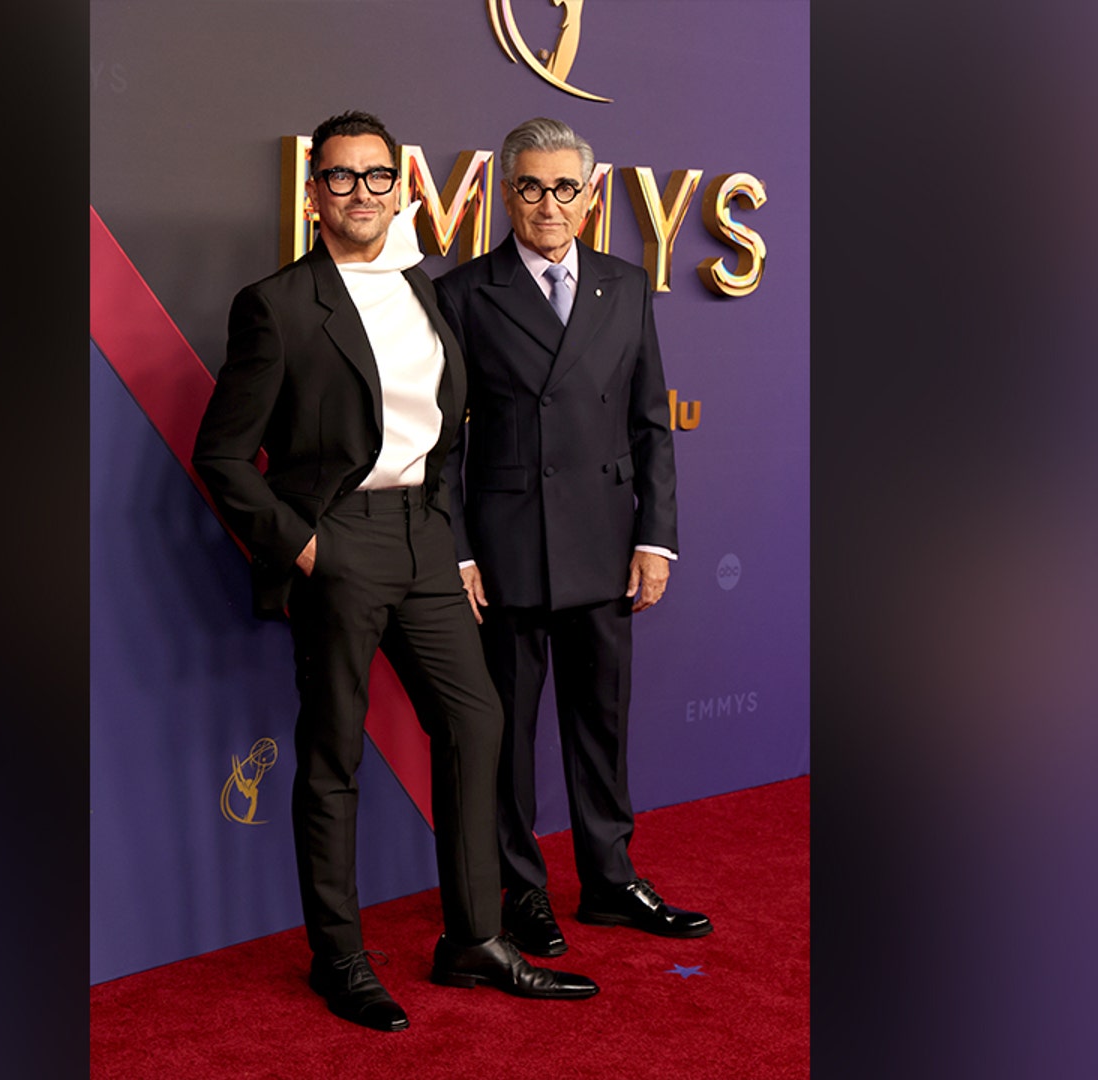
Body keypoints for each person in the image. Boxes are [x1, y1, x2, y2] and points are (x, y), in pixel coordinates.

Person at [192, 111, 597, 1033]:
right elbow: (220, 455)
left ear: (401, 188)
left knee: (477, 719)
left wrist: (446, 532)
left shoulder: (426, 290)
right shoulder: (280, 304)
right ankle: (339, 959)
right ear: (314, 193)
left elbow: (447, 420)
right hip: (338, 542)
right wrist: (302, 543)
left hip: (423, 538)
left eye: (378, 178)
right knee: (333, 757)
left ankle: (474, 942)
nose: (362, 194)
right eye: (341, 178)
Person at [435, 117, 713, 960]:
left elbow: (651, 425)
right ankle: (520, 890)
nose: (547, 204)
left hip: (604, 540)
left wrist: (655, 538)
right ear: (502, 192)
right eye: (530, 186)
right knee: (507, 737)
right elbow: (443, 440)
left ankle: (609, 879)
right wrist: (459, 550)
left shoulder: (627, 286)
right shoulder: (462, 292)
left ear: (589, 198)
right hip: (507, 547)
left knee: (602, 724)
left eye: (564, 188)